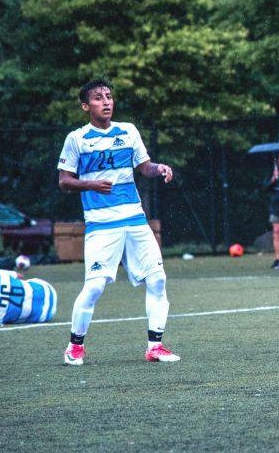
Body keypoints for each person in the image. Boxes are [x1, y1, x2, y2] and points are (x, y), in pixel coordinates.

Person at [57, 78, 179, 365]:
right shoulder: (77, 139)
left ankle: (155, 347)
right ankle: (74, 347)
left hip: (135, 218)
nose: (107, 101)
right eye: (99, 98)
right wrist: (90, 185)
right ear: (86, 106)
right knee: (96, 285)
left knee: (158, 279)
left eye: (109, 96)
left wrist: (159, 167)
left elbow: (144, 167)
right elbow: (64, 182)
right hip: (101, 223)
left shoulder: (129, 131)